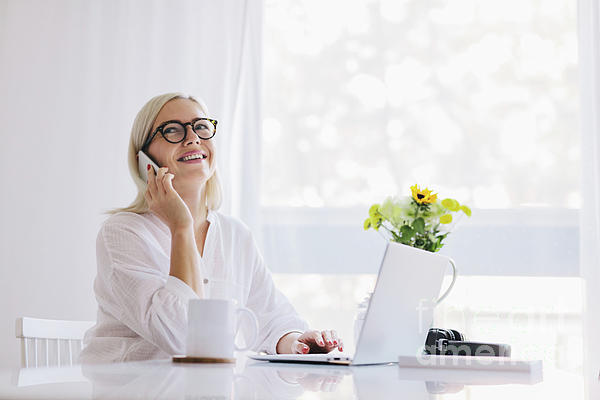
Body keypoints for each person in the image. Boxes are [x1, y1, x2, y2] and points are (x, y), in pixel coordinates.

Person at [79, 93, 343, 363]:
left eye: (201, 126)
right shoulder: (123, 234)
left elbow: (271, 318)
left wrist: (297, 342)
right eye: (171, 130)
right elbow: (182, 338)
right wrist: (181, 227)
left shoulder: (235, 235)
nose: (192, 138)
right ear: (145, 160)